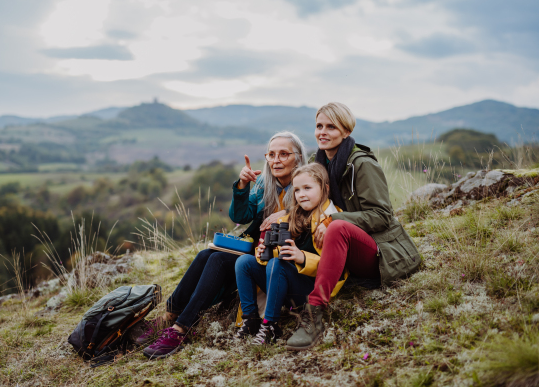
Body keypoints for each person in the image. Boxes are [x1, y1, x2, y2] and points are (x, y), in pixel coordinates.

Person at [141, 131, 307, 359]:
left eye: (283, 154)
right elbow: (239, 215)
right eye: (271, 154)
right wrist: (242, 185)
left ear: (297, 157)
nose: (276, 160)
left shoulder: (305, 184)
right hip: (257, 251)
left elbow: (312, 213)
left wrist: (286, 213)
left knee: (218, 259)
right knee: (205, 255)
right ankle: (169, 316)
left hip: (281, 260)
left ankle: (181, 329)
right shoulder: (263, 183)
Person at [285, 102, 421, 351]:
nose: (322, 132)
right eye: (318, 126)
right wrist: (282, 215)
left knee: (336, 227)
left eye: (331, 127)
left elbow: (382, 215)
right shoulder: (322, 164)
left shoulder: (362, 164)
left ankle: (314, 314)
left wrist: (336, 220)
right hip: (343, 249)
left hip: (378, 251)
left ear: (346, 131)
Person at [234, 163, 348, 344]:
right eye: (297, 190)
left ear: (325, 188)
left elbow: (337, 269)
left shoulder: (333, 220)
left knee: (277, 264)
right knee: (245, 262)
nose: (301, 194)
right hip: (285, 285)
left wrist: (302, 257)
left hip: (312, 291)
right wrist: (264, 253)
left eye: (307, 188)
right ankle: (251, 319)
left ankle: (270, 324)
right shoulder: (289, 218)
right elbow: (278, 259)